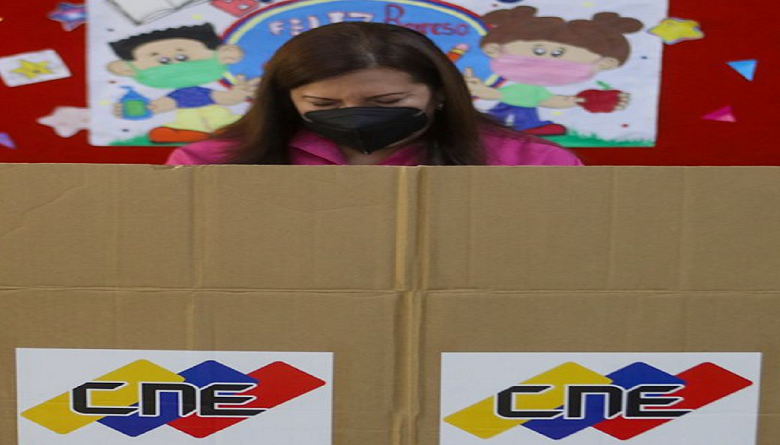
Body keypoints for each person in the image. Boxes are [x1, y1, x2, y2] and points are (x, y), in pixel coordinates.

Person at [165, 22, 583, 166]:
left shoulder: (533, 164)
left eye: (387, 103)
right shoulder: (207, 164)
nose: (354, 114)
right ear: (285, 99)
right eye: (323, 104)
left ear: (440, 93)